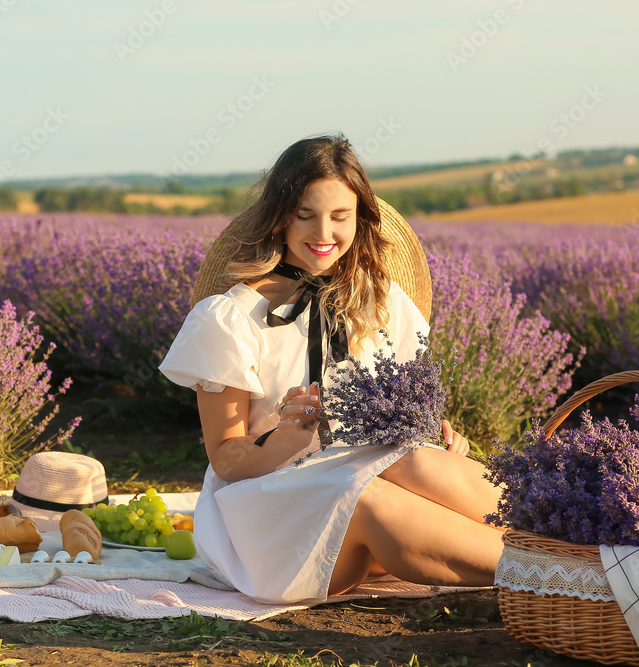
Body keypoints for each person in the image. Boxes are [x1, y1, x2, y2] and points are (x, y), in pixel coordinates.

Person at [159, 134, 504, 604]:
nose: (324, 233)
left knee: (419, 461)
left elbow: (404, 418)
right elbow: (225, 460)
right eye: (306, 215)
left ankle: (583, 545)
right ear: (280, 217)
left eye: (340, 216)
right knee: (360, 494)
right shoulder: (230, 318)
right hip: (269, 507)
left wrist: (438, 435)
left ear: (359, 219)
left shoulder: (385, 304)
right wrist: (284, 439)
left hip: (370, 484)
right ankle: (570, 577)